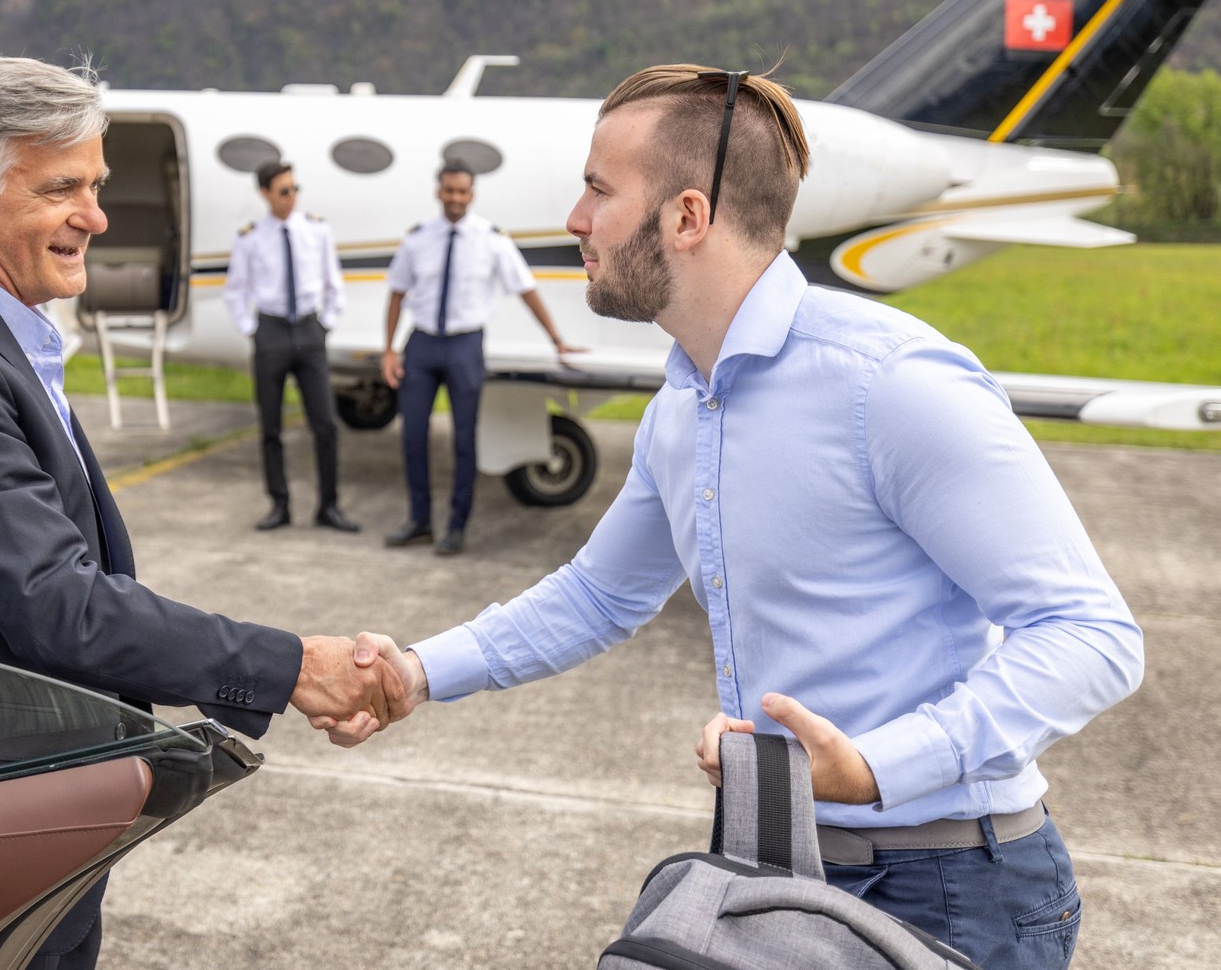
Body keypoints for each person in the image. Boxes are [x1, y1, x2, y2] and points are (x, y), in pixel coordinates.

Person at [337, 65, 1143, 970]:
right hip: (777, 866)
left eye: (599, 190)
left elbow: (1092, 634)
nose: (573, 219)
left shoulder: (891, 383)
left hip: (956, 888)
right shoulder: (683, 404)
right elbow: (598, 596)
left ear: (687, 217)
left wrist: (872, 767)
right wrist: (415, 672)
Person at [0, 56, 406, 970]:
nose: (95, 216)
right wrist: (291, 665)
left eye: (95, 185)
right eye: (63, 188)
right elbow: (59, 600)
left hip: (34, 790)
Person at [380, 160, 575, 555]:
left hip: (464, 347)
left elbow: (526, 289)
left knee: (464, 440)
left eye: (462, 192)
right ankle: (419, 521)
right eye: (449, 190)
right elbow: (398, 293)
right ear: (439, 192)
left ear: (472, 194)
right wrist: (388, 349)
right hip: (421, 345)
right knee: (413, 436)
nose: (455, 198)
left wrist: (557, 339)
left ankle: (456, 525)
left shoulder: (491, 240)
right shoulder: (418, 239)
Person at [222, 159, 357, 532]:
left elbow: (334, 283)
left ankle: (328, 506)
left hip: (309, 332)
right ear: (264, 193)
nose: (291, 197)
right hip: (272, 333)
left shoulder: (316, 230)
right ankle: (279, 505)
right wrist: (253, 330)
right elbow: (235, 291)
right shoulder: (250, 237)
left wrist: (326, 324)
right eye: (284, 191)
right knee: (271, 426)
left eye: (295, 189)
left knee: (325, 424)